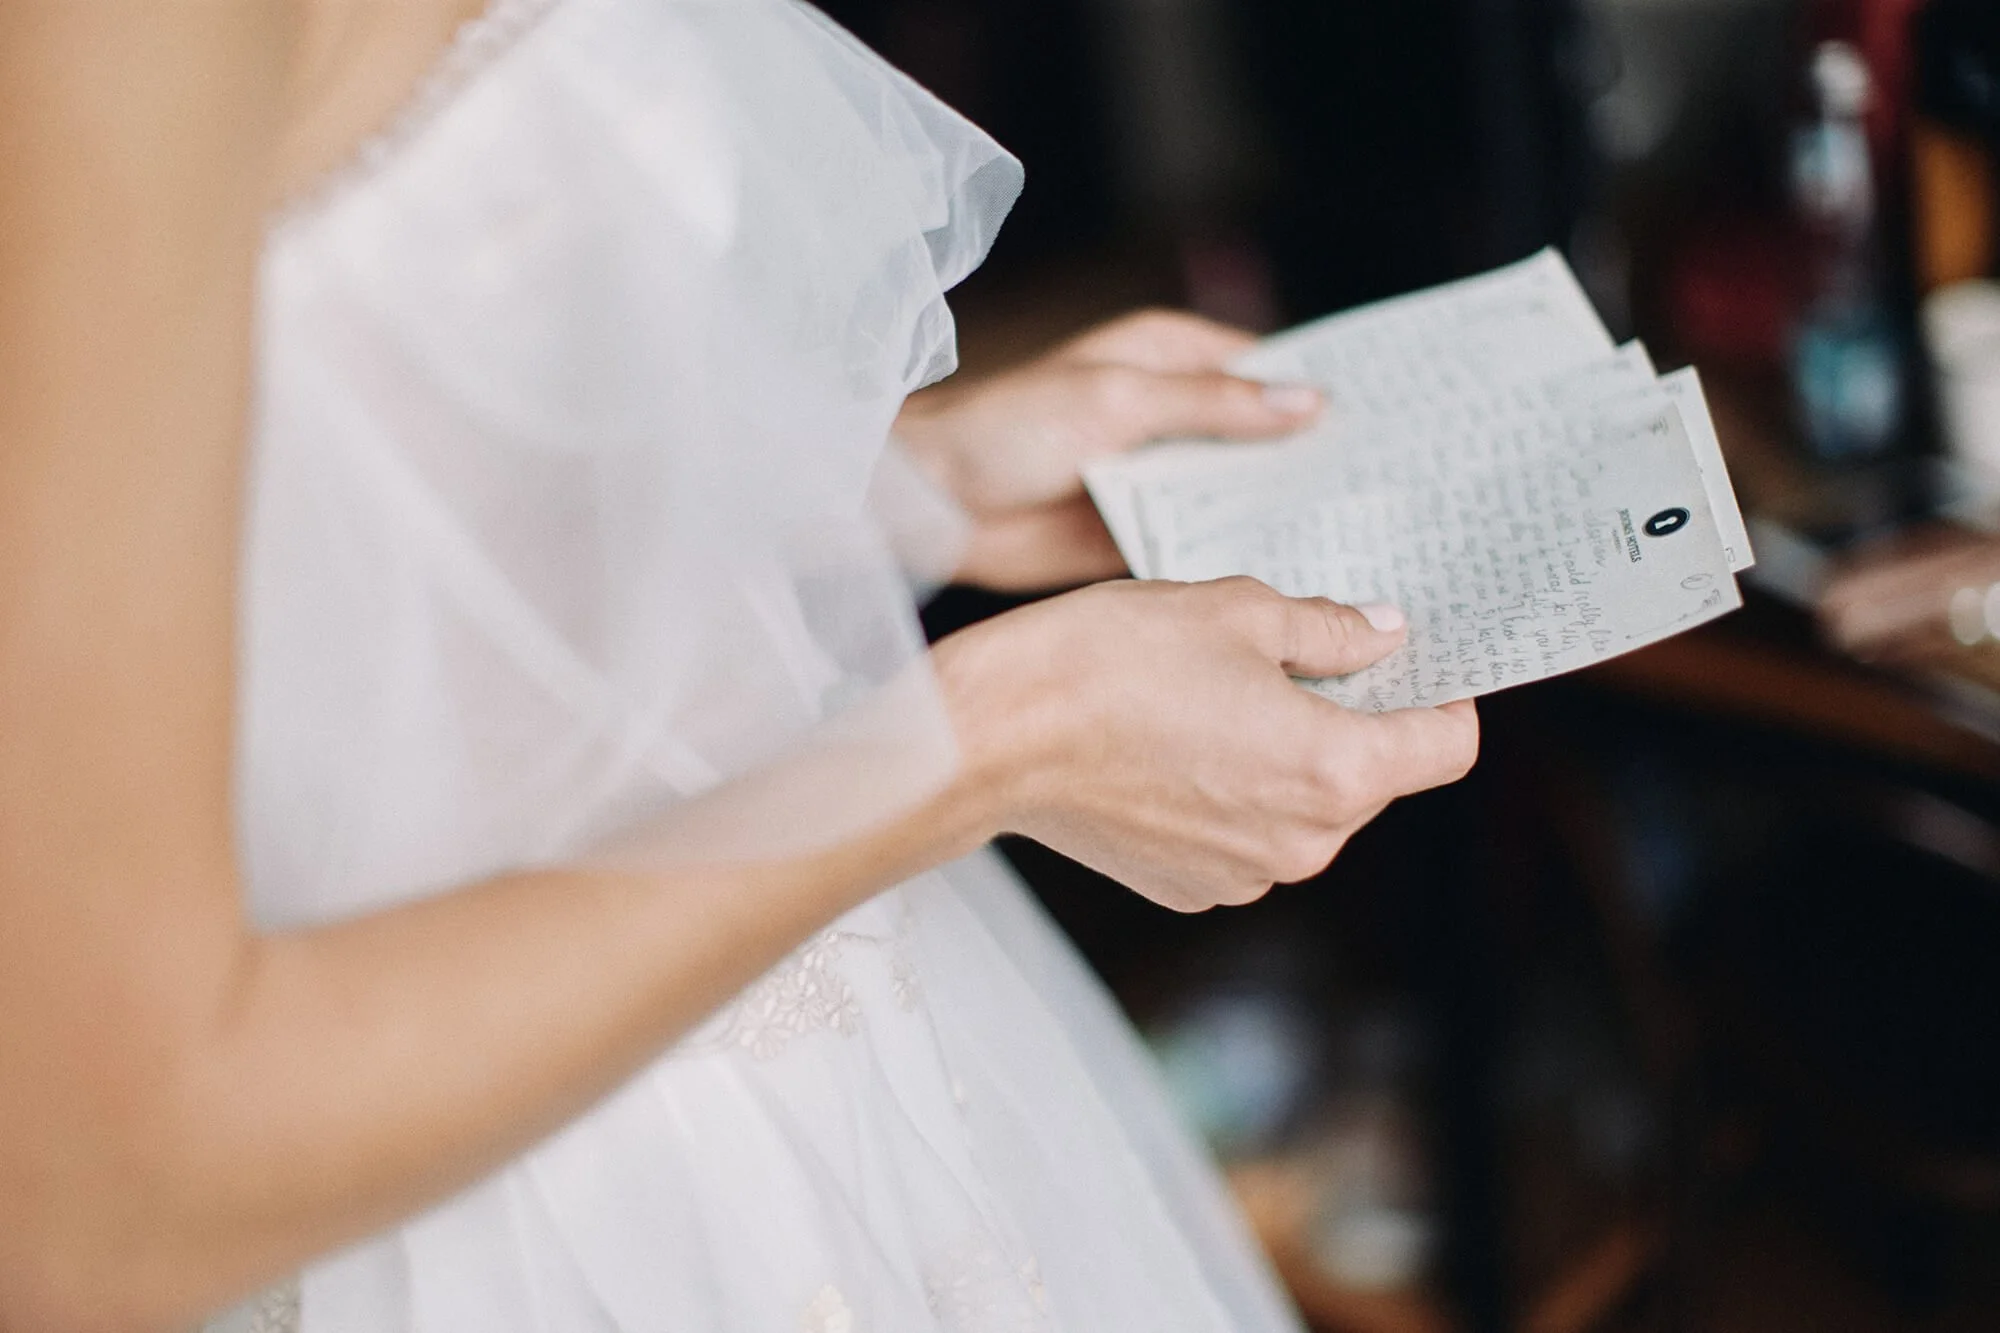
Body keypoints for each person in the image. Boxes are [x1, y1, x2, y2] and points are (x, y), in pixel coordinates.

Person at [0, 2, 1479, 1330]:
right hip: (503, 1217)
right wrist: (993, 743)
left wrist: (914, 484)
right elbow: (107, 1194)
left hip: (828, 1083)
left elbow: (307, 514)